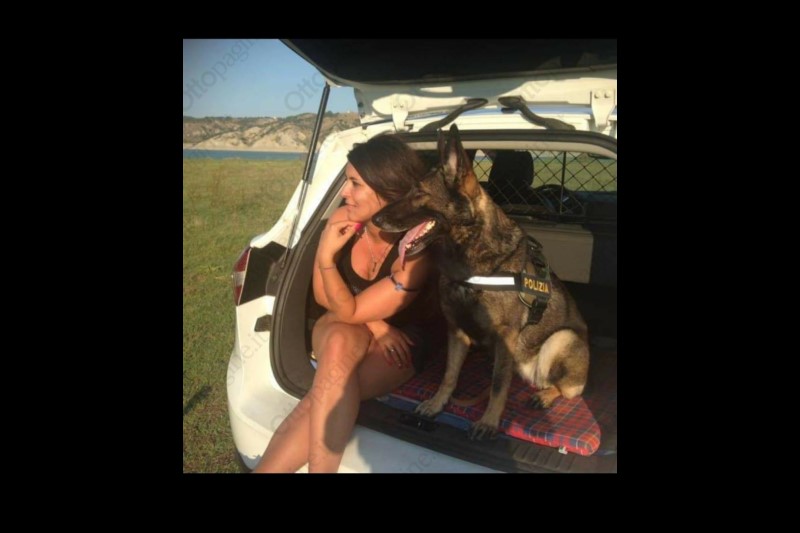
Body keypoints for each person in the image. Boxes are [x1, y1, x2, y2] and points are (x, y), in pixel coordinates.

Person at [252, 134, 444, 473]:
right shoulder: (344, 220)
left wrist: (328, 259)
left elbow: (349, 308)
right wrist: (376, 324)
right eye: (346, 181)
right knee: (340, 342)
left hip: (402, 337)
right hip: (343, 322)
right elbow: (324, 298)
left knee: (324, 396)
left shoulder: (415, 247)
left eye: (355, 183)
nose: (344, 192)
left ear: (388, 188)